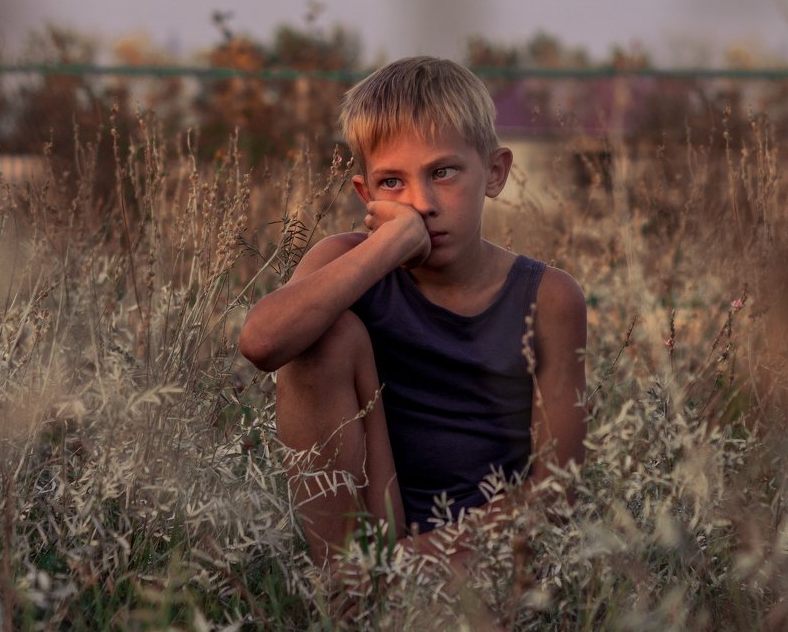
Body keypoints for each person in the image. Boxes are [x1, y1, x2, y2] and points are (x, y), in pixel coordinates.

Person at [239, 56, 587, 568]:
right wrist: (388, 246)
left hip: (488, 550)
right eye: (392, 183)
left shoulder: (550, 298)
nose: (421, 202)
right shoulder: (347, 261)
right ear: (365, 194)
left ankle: (378, 591)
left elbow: (557, 490)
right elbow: (263, 342)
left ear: (494, 172)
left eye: (442, 172)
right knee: (320, 338)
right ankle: (347, 596)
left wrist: (419, 560)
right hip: (372, 537)